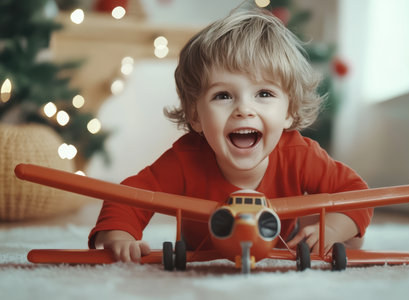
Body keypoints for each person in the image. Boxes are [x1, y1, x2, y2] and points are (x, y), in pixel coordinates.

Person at [88, 8, 373, 263]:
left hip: (284, 242)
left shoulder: (298, 154)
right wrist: (120, 235)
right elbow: (129, 196)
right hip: (201, 252)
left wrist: (333, 228)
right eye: (223, 95)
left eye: (264, 93)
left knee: (351, 234)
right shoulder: (185, 158)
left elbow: (358, 194)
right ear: (196, 115)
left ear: (289, 111)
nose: (243, 109)